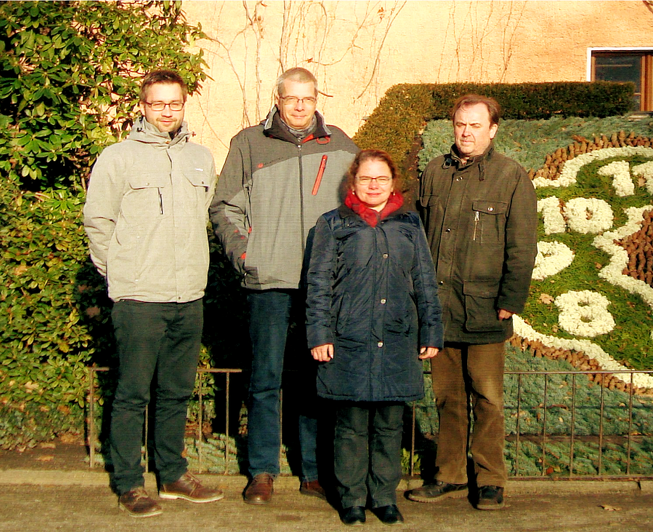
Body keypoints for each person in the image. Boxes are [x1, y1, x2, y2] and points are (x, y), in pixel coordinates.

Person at [209, 67, 359, 504]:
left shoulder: (341, 145)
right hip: (269, 280)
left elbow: (360, 206)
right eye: (291, 98)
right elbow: (224, 208)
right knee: (265, 377)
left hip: (323, 285)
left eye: (307, 99)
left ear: (317, 100)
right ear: (277, 99)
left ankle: (312, 469)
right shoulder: (248, 144)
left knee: (318, 375)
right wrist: (246, 256)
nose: (299, 106)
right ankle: (262, 471)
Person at [83, 69, 224, 518]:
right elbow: (98, 223)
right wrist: (121, 276)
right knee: (132, 393)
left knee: (177, 391)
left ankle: (172, 475)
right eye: (158, 103)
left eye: (175, 103)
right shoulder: (117, 158)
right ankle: (128, 482)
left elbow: (202, 215)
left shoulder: (201, 158)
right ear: (142, 107)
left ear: (184, 105)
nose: (167, 111)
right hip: (140, 297)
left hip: (189, 296)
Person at [406, 94, 537, 510]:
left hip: (484, 307)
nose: (466, 132)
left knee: (487, 398)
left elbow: (522, 247)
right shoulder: (434, 172)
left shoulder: (512, 177)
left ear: (492, 129)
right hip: (439, 308)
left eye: (475, 125)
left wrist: (511, 299)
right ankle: (449, 474)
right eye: (461, 124)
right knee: (447, 397)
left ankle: (490, 479)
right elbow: (418, 237)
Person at [306, 149, 443, 526]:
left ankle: (383, 497)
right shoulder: (332, 224)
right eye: (366, 178)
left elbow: (425, 283)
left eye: (381, 178)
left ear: (393, 182)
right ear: (353, 183)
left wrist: (432, 330)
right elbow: (318, 285)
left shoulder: (409, 224)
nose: (373, 185)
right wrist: (319, 333)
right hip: (348, 341)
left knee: (388, 426)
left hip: (397, 340)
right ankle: (351, 498)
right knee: (349, 427)